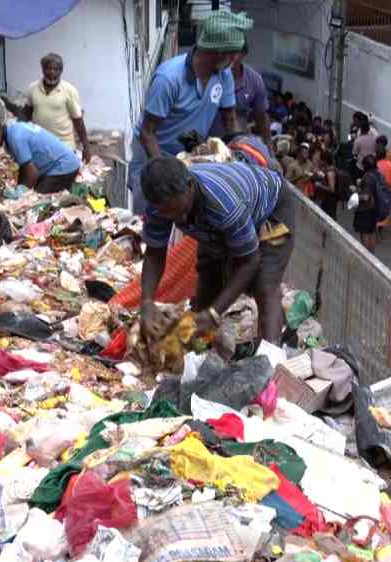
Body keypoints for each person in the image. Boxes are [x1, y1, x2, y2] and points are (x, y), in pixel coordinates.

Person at [138, 157, 294, 347]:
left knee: (264, 282)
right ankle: (200, 354)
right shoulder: (160, 206)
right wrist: (147, 302)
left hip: (271, 208)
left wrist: (214, 313)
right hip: (215, 222)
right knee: (206, 289)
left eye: (176, 210)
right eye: (165, 212)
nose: (172, 217)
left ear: (190, 186)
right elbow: (154, 253)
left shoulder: (224, 206)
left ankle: (271, 354)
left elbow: (249, 261)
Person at [129, 9, 251, 212]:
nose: (235, 60)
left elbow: (230, 119)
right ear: (220, 53)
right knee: (152, 210)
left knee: (184, 215)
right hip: (153, 152)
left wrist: (242, 152)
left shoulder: (224, 75)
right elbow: (147, 133)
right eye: (234, 55)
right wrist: (163, 173)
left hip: (186, 153)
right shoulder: (169, 79)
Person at [13, 53, 92, 162]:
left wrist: (86, 147)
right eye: (48, 68)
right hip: (39, 145)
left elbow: (78, 120)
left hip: (63, 146)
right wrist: (15, 130)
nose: (52, 72)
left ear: (61, 71)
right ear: (42, 69)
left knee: (65, 172)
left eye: (56, 69)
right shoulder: (32, 88)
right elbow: (26, 113)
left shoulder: (69, 90)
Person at [0, 116, 81, 194]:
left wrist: (21, 193)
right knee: (34, 191)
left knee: (38, 198)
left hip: (64, 166)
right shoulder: (13, 129)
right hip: (61, 164)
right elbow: (24, 167)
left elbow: (32, 173)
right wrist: (20, 187)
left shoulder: (15, 138)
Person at [210, 41, 271, 145]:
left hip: (237, 142)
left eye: (234, 51)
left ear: (243, 54)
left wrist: (268, 147)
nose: (229, 56)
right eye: (226, 51)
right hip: (208, 140)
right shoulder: (211, 74)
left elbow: (262, 118)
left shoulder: (254, 80)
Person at [347, 154, 383, 252]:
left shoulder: (367, 177)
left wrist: (354, 193)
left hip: (365, 209)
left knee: (365, 233)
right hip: (375, 208)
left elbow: (366, 197)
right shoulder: (378, 175)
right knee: (372, 231)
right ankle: (371, 255)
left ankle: (366, 254)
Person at [311, 145, 340, 217]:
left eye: (321, 159)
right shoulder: (331, 169)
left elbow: (332, 189)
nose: (320, 161)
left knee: (328, 217)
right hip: (329, 200)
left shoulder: (330, 172)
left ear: (325, 160)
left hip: (329, 201)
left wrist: (320, 185)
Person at [375, 146, 391, 237]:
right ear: (385, 155)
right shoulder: (390, 165)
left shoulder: (374, 164)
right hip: (386, 191)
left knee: (376, 209)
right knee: (384, 211)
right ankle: (379, 231)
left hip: (375, 191)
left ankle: (376, 229)